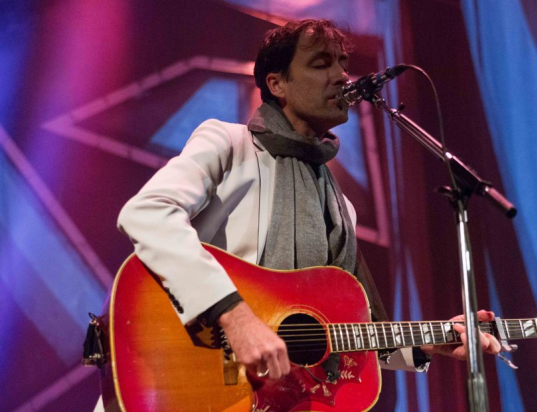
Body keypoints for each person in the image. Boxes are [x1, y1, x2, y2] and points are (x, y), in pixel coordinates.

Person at [115, 17, 499, 393]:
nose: (341, 76)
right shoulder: (229, 143)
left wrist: (429, 343)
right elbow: (147, 213)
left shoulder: (337, 204)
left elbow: (337, 330)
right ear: (277, 83)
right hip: (187, 378)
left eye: (342, 64)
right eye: (321, 64)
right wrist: (234, 315)